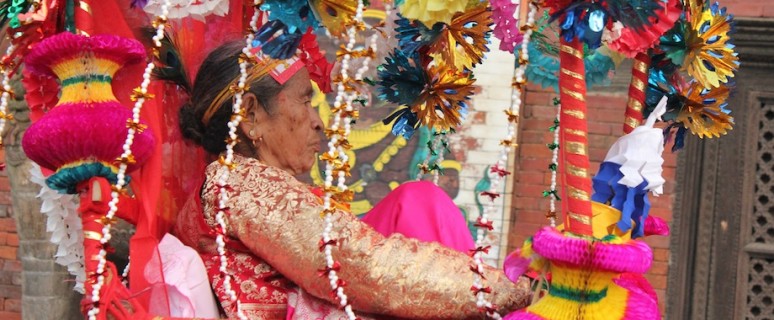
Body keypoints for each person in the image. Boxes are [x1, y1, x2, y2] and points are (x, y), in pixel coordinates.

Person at [174, 41, 531, 319]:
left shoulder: (237, 184)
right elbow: (364, 267)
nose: (319, 122)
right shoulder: (243, 185)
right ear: (250, 114)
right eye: (305, 101)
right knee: (420, 204)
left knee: (417, 201)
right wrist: (505, 290)